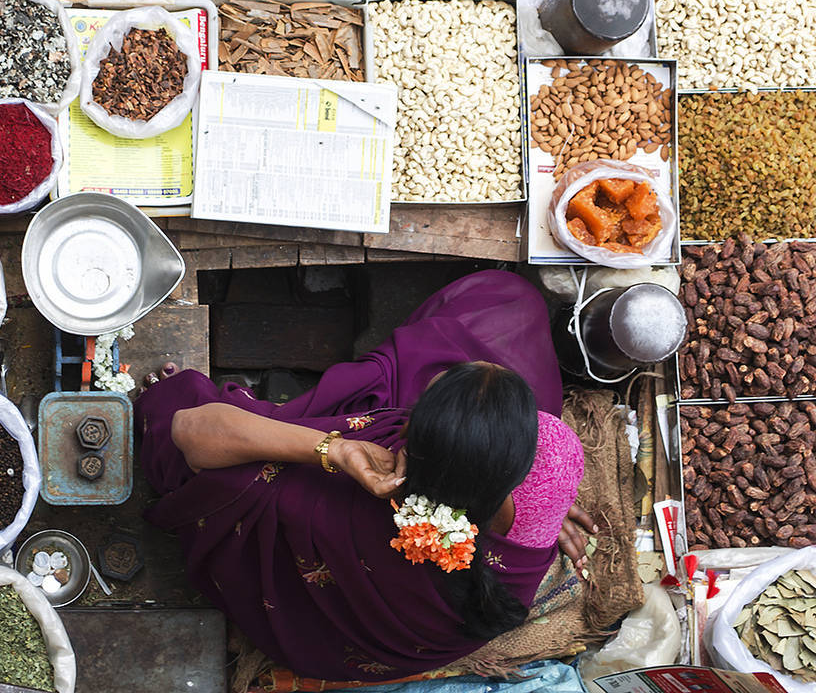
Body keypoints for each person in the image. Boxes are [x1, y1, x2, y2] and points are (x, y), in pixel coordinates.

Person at [135, 270, 594, 683]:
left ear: (406, 444)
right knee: (513, 299)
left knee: (203, 446)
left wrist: (332, 448)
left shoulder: (332, 508)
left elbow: (189, 431)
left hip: (323, 637)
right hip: (413, 622)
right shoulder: (555, 452)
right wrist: (543, 518)